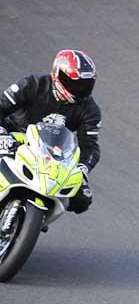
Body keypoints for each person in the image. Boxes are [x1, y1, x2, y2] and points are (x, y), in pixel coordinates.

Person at [0, 50, 101, 213]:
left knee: (82, 199)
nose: (78, 89)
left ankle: (33, 221)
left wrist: (83, 170)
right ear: (57, 74)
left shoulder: (90, 110)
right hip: (13, 138)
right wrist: (2, 134)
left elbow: (90, 146)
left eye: (85, 85)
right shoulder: (31, 84)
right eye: (72, 82)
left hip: (49, 155)